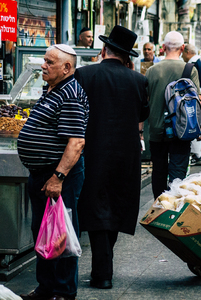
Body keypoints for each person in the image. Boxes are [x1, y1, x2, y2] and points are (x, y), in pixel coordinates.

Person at [74, 25, 150, 290]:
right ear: (127, 56)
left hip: (92, 150)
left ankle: (102, 270)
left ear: (103, 50)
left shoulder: (83, 74)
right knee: (116, 206)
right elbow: (143, 115)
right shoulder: (139, 80)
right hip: (126, 153)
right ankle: (103, 268)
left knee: (96, 207)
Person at [18, 44, 89, 300]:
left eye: (49, 62)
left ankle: (63, 291)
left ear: (67, 67)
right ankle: (45, 288)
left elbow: (76, 142)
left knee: (60, 234)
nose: (43, 65)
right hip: (43, 174)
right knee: (43, 233)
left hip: (58, 176)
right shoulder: (53, 90)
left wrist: (57, 177)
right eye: (44, 60)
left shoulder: (70, 93)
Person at [146, 31, 201, 199]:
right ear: (183, 48)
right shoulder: (189, 69)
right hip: (182, 128)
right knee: (178, 171)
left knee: (158, 170)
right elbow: (198, 100)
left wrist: (141, 130)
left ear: (163, 48)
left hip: (157, 130)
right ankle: (175, 208)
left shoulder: (151, 71)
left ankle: (159, 206)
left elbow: (146, 101)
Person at [182, 43, 201, 166]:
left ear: (187, 52)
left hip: (196, 100)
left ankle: (197, 156)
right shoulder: (199, 62)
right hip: (200, 98)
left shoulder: (193, 65)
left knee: (193, 126)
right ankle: (197, 155)